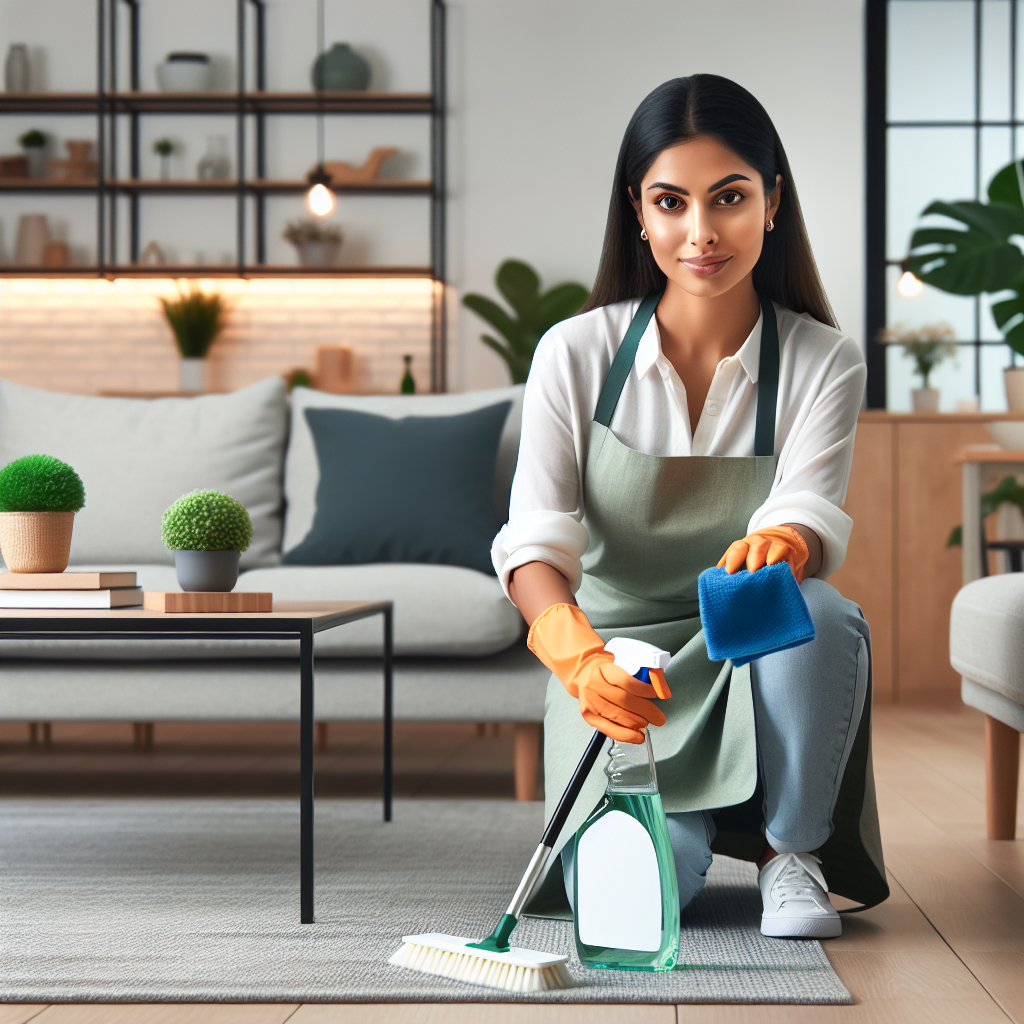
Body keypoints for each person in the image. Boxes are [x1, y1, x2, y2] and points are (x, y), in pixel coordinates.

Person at [491, 75, 888, 939]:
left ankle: (792, 852)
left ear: (773, 202)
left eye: (730, 197)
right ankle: (688, 824)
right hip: (619, 668)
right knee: (638, 897)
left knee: (816, 607)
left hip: (748, 642)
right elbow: (535, 542)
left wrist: (786, 538)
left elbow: (808, 512)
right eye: (671, 202)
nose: (700, 233)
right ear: (638, 211)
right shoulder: (576, 352)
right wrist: (575, 656)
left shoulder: (823, 360)